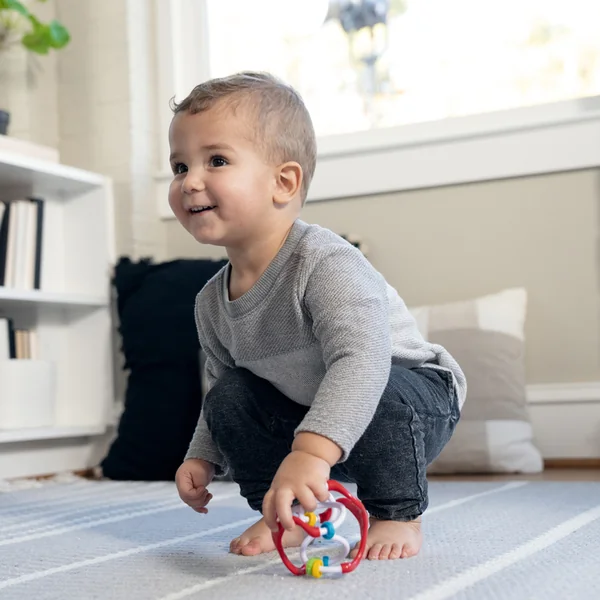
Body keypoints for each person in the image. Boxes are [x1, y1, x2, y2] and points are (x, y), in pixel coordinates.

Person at [170, 71, 466, 561]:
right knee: (230, 394)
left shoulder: (325, 263)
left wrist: (310, 452)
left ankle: (397, 512)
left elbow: (363, 362)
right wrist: (202, 454)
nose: (190, 182)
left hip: (411, 401)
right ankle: (285, 513)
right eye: (180, 166)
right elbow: (223, 389)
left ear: (283, 182)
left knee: (380, 387)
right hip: (309, 412)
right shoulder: (210, 302)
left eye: (216, 161)